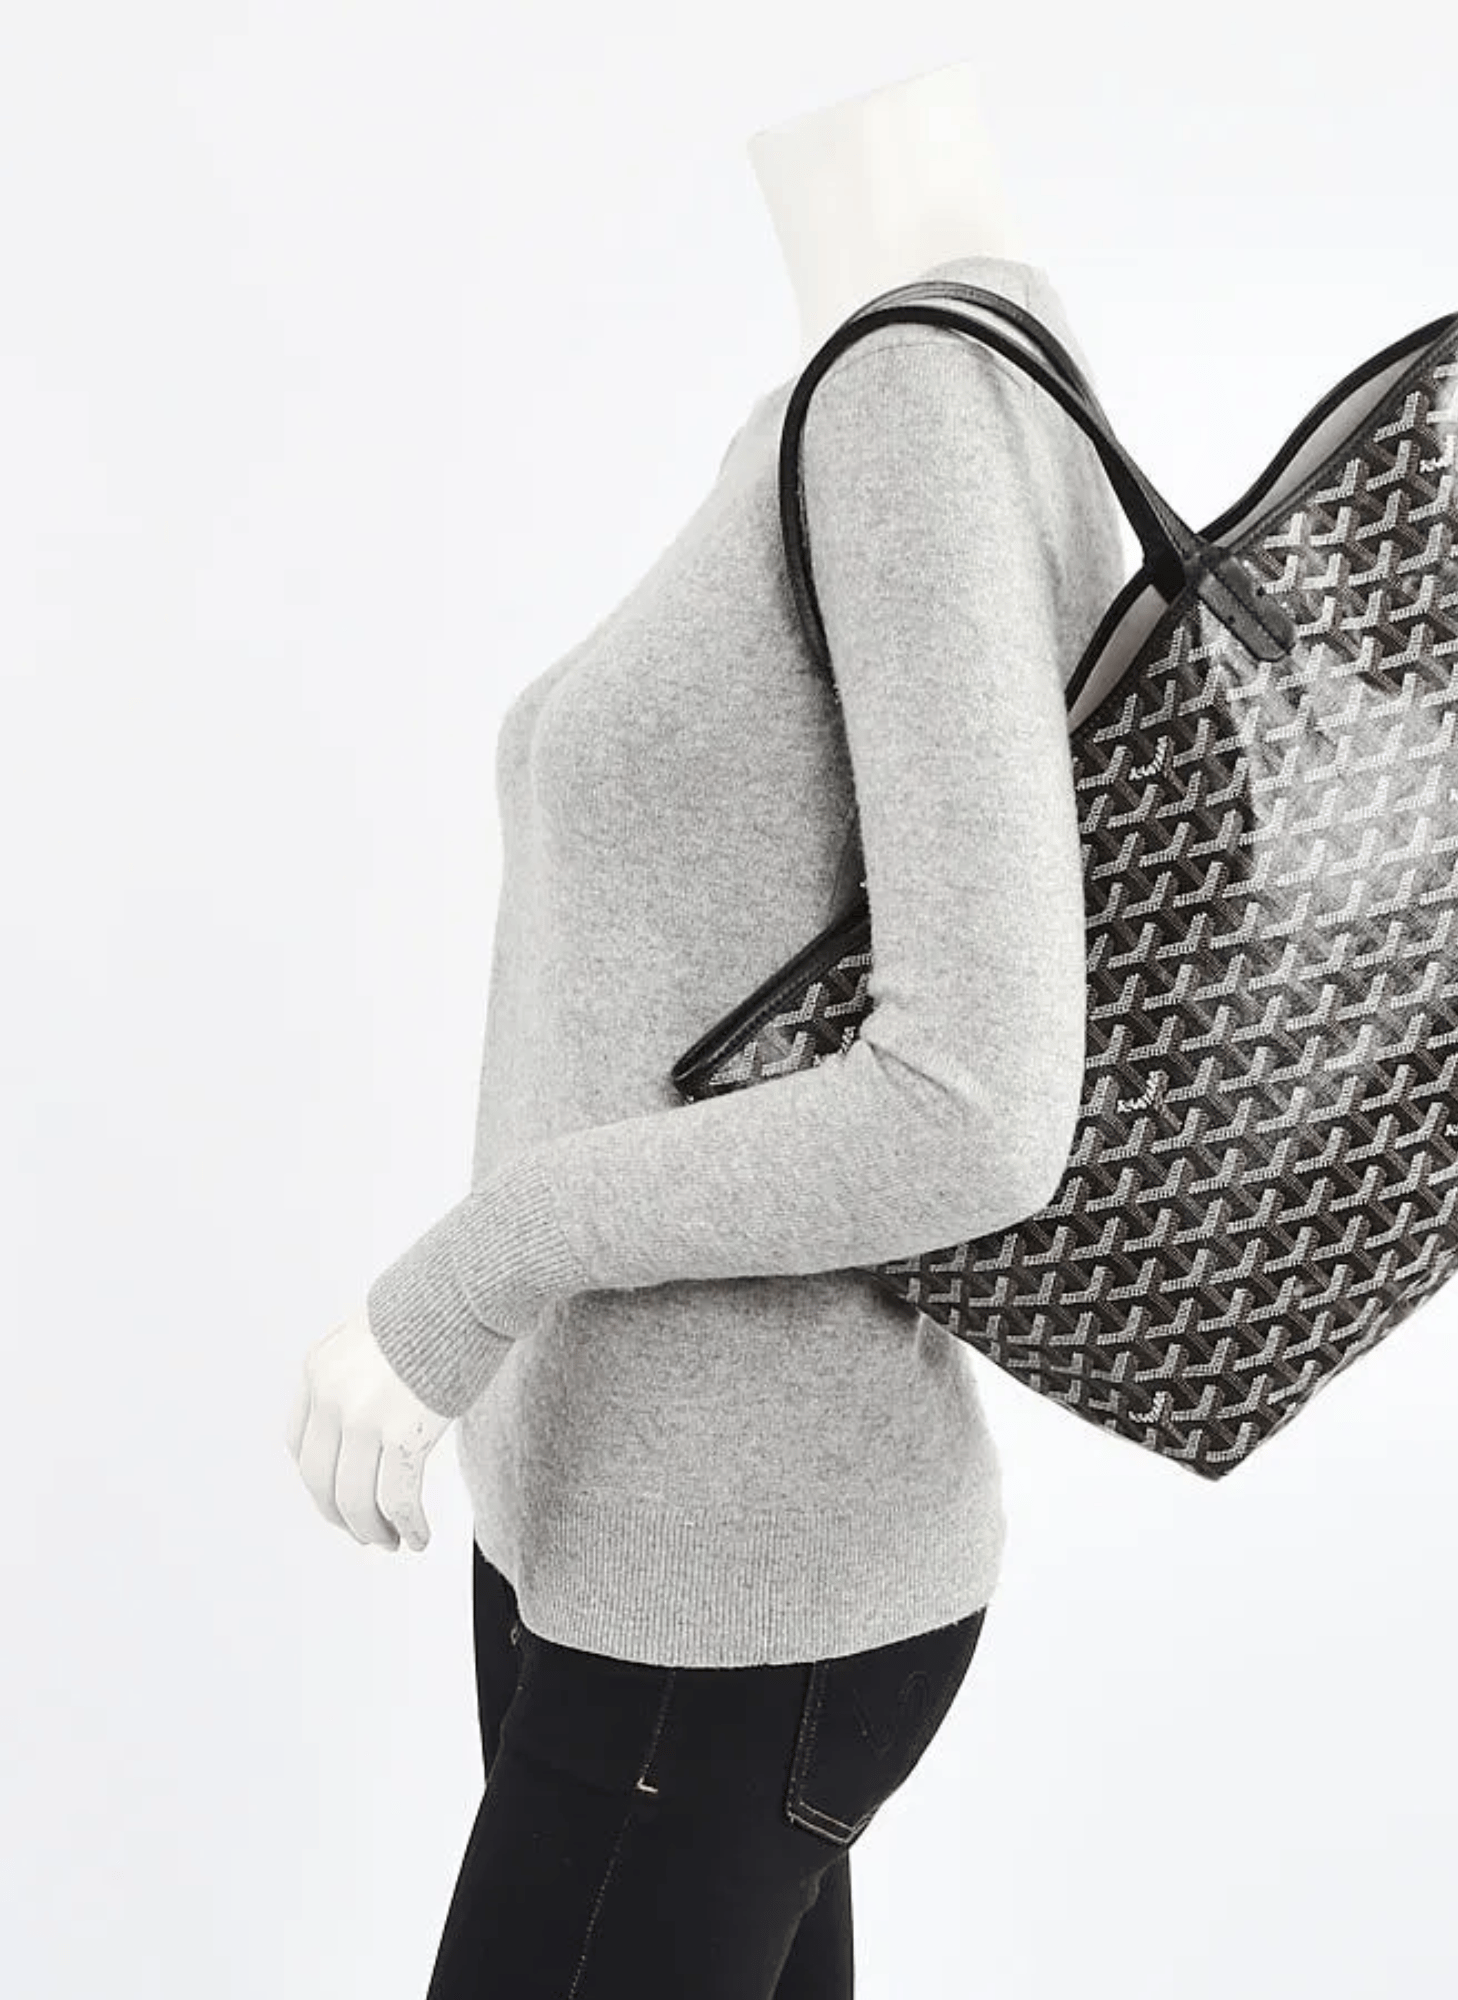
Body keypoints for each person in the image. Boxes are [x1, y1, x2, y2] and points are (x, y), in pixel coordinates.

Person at [282, 56, 1131, 2000]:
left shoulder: (916, 406)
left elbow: (977, 1103)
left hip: (721, 1595)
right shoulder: (897, 384)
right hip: (628, 1544)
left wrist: (466, 1275)